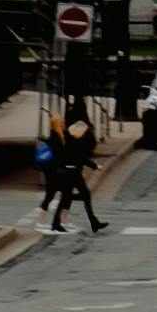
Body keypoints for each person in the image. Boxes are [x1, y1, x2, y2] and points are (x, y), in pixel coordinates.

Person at [44, 100, 104, 235]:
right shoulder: (62, 138)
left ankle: (92, 222)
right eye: (63, 123)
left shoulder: (60, 137)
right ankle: (58, 224)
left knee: (74, 196)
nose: (65, 125)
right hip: (69, 171)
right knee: (74, 196)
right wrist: (93, 165)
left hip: (68, 171)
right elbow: (76, 156)